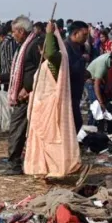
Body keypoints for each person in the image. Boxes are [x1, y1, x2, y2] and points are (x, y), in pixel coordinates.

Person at [26, 19, 80, 177]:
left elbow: (50, 53)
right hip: (42, 108)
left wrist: (49, 33)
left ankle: (56, 169)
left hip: (50, 108)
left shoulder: (56, 60)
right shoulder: (48, 63)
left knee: (52, 141)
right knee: (44, 142)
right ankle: (46, 169)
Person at [0, 15, 42, 175]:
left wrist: (28, 88)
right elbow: (18, 71)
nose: (12, 35)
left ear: (21, 31)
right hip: (24, 93)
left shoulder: (32, 46)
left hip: (28, 95)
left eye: (14, 32)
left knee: (17, 128)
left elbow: (39, 70)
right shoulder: (24, 45)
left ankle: (14, 164)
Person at [65, 20, 91, 131]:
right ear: (75, 33)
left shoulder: (79, 47)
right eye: (84, 35)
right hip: (68, 91)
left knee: (76, 122)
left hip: (76, 91)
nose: (86, 38)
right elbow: (67, 69)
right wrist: (82, 60)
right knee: (75, 122)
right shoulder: (66, 47)